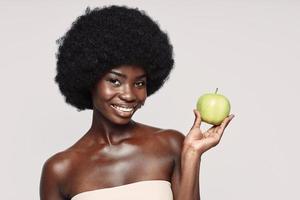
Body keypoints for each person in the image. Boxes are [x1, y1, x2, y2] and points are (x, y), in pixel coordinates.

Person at [39, 5, 234, 200]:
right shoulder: (60, 169)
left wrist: (192, 154)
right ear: (90, 80)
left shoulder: (169, 144)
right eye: (115, 81)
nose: (129, 95)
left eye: (139, 83)